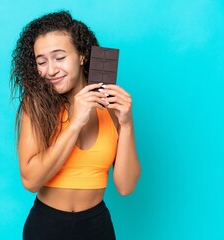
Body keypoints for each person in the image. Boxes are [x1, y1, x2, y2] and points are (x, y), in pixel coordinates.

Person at [10, 10, 141, 240]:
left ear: (81, 55)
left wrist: (127, 124)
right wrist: (74, 124)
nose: (50, 70)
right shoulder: (36, 105)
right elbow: (30, 181)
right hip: (46, 226)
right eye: (42, 62)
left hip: (96, 226)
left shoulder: (108, 106)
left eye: (59, 58)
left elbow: (126, 187)